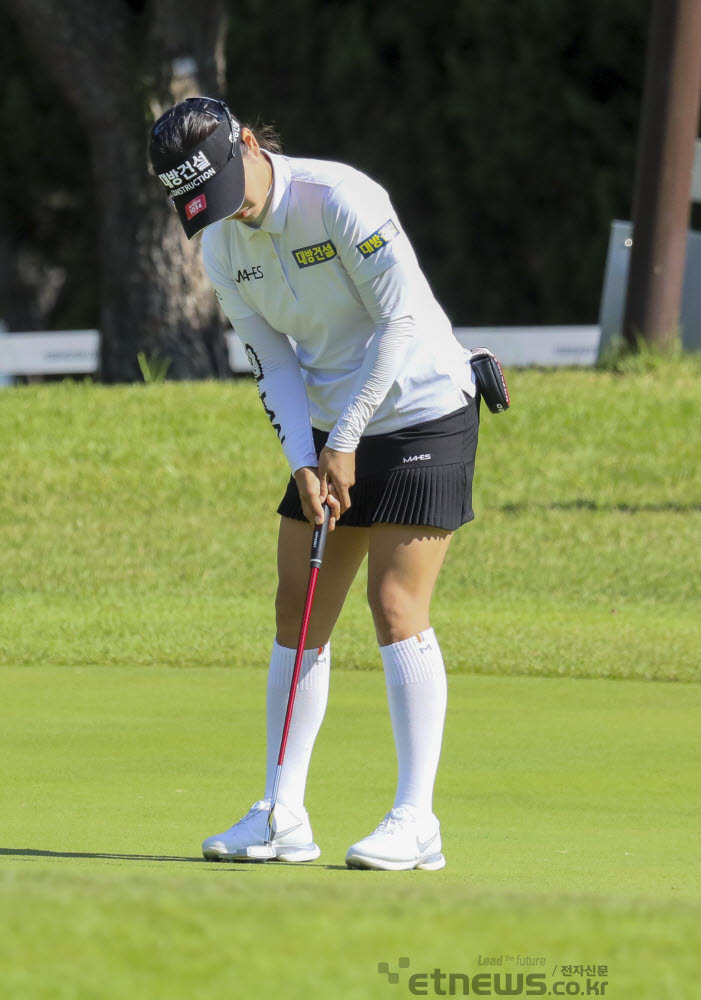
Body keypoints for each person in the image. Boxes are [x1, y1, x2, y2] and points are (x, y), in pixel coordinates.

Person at [149, 96, 480, 871]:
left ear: (249, 146)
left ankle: (415, 820)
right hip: (333, 427)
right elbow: (273, 359)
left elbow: (400, 321)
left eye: (229, 191)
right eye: (203, 208)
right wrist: (304, 457)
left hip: (424, 406)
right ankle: (281, 814)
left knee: (394, 606)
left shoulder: (339, 198)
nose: (229, 214)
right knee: (298, 609)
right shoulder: (222, 248)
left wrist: (350, 436)